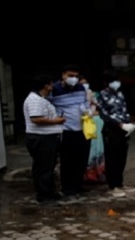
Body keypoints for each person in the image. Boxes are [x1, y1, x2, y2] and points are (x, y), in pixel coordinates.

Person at [23, 74, 66, 205]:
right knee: (43, 168)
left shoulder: (42, 99)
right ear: (46, 86)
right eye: (51, 84)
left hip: (48, 137)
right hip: (41, 138)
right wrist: (56, 121)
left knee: (49, 166)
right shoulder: (34, 100)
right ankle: (43, 196)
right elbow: (36, 119)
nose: (53, 86)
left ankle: (50, 192)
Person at [50, 64, 89, 198]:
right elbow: (48, 106)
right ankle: (68, 188)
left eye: (76, 76)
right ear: (63, 75)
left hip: (81, 129)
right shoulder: (55, 89)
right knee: (67, 161)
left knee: (81, 159)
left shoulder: (81, 88)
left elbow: (84, 103)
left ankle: (78, 185)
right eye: (70, 76)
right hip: (65, 130)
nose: (73, 79)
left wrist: (87, 109)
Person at [97, 71, 135, 197]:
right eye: (112, 81)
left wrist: (128, 123)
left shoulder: (120, 93)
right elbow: (104, 114)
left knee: (122, 157)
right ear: (106, 82)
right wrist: (119, 124)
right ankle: (112, 185)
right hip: (111, 129)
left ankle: (120, 183)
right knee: (112, 158)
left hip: (124, 129)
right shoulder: (102, 95)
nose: (116, 83)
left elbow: (124, 110)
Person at [80, 75, 106, 184]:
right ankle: (84, 174)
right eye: (82, 83)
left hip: (96, 124)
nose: (84, 85)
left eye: (85, 83)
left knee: (97, 148)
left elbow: (100, 107)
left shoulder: (93, 94)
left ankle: (97, 173)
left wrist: (92, 100)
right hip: (83, 124)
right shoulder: (76, 96)